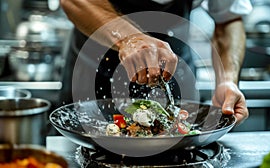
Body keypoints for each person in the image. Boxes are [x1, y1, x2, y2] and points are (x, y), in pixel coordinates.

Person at [59, 0, 252, 125]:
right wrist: (129, 38)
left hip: (177, 71)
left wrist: (227, 79)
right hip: (95, 71)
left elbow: (229, 19)